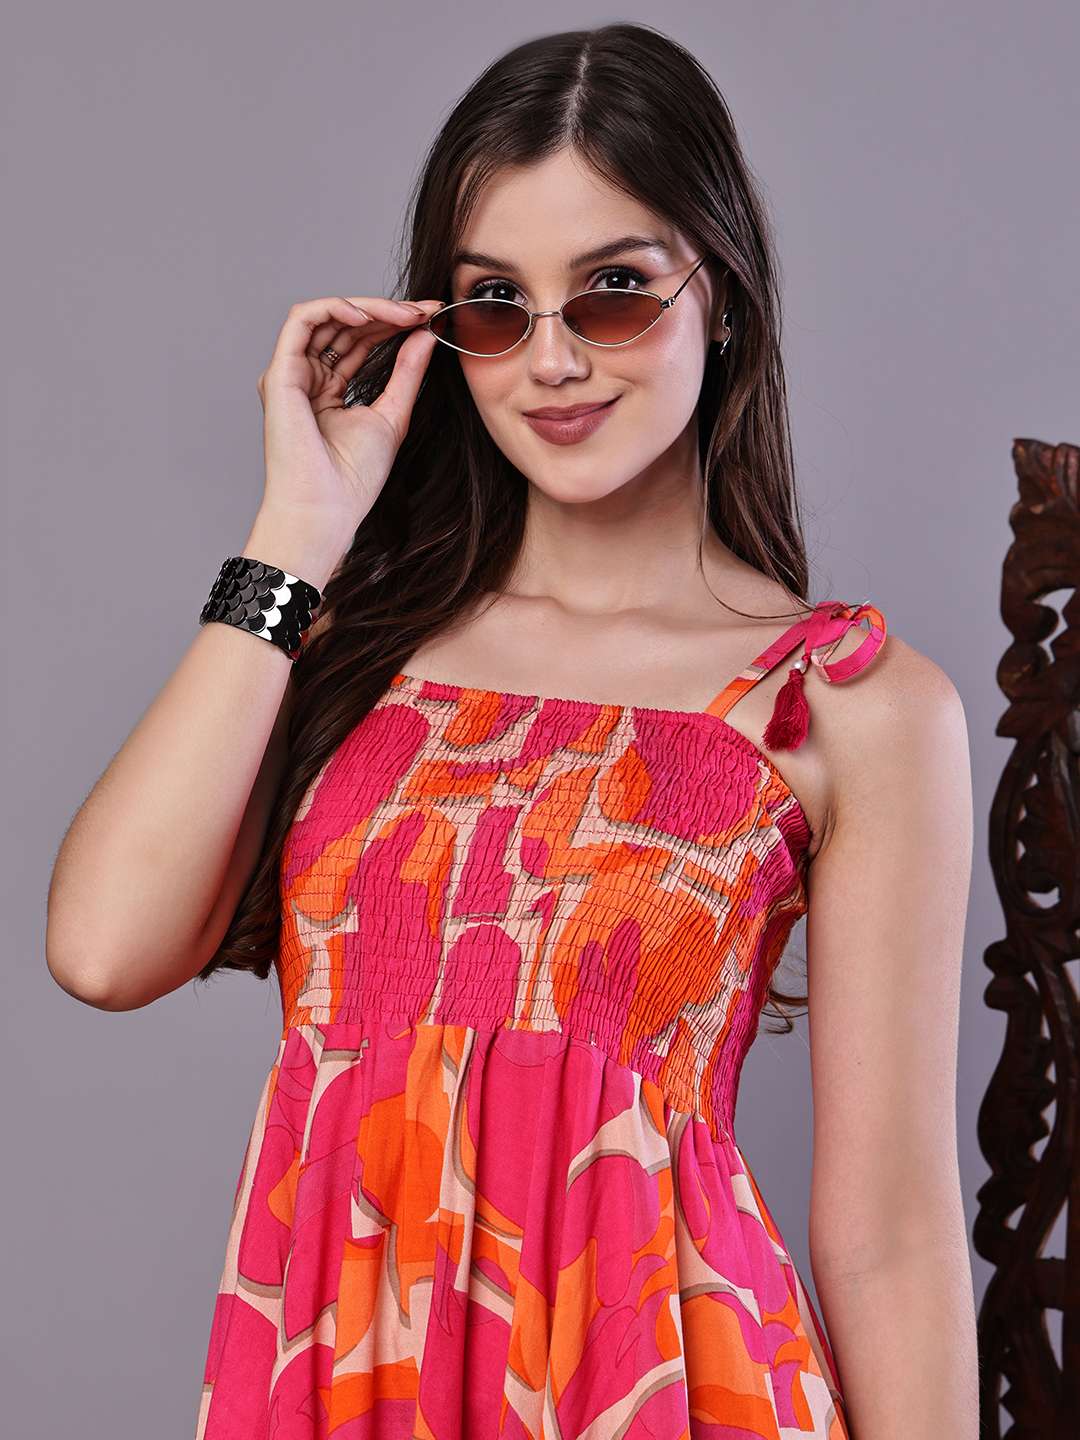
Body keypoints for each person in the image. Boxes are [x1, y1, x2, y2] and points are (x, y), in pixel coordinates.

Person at [45, 21, 978, 1439]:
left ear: (721, 297)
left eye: (614, 292)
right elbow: (105, 950)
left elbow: (892, 1239)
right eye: (495, 304)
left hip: (668, 1392)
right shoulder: (353, 647)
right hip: (346, 1384)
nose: (552, 360)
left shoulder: (844, 700)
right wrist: (295, 533)